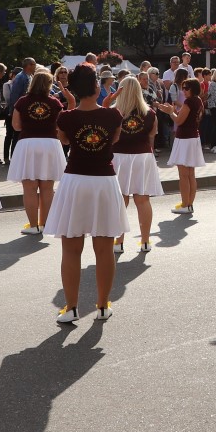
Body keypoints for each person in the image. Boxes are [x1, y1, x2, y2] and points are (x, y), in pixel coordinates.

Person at [44, 63, 125, 324]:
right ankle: (102, 305)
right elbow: (113, 140)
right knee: (104, 248)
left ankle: (71, 307)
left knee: (71, 249)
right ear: (96, 87)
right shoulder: (113, 116)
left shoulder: (66, 117)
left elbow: (65, 141)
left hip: (75, 180)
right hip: (104, 181)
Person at [8, 70, 65, 236]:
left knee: (29, 187)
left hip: (28, 143)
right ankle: (45, 224)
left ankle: (33, 226)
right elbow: (60, 125)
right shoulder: (54, 102)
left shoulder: (22, 101)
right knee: (47, 187)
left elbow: (16, 126)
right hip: (49, 143)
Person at [112, 75, 163, 252]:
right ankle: (145, 241)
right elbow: (152, 137)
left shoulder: (114, 112)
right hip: (142, 155)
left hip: (119, 156)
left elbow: (111, 138)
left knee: (121, 200)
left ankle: (118, 242)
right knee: (142, 200)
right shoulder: (150, 113)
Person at [162, 75, 204, 216]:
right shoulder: (198, 101)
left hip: (185, 139)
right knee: (190, 174)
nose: (183, 91)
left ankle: (185, 204)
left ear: (193, 89)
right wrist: (171, 111)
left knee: (183, 175)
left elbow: (179, 121)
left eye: (186, 88)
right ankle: (189, 204)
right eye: (183, 88)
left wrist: (170, 112)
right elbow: (188, 118)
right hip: (193, 138)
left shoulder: (189, 102)